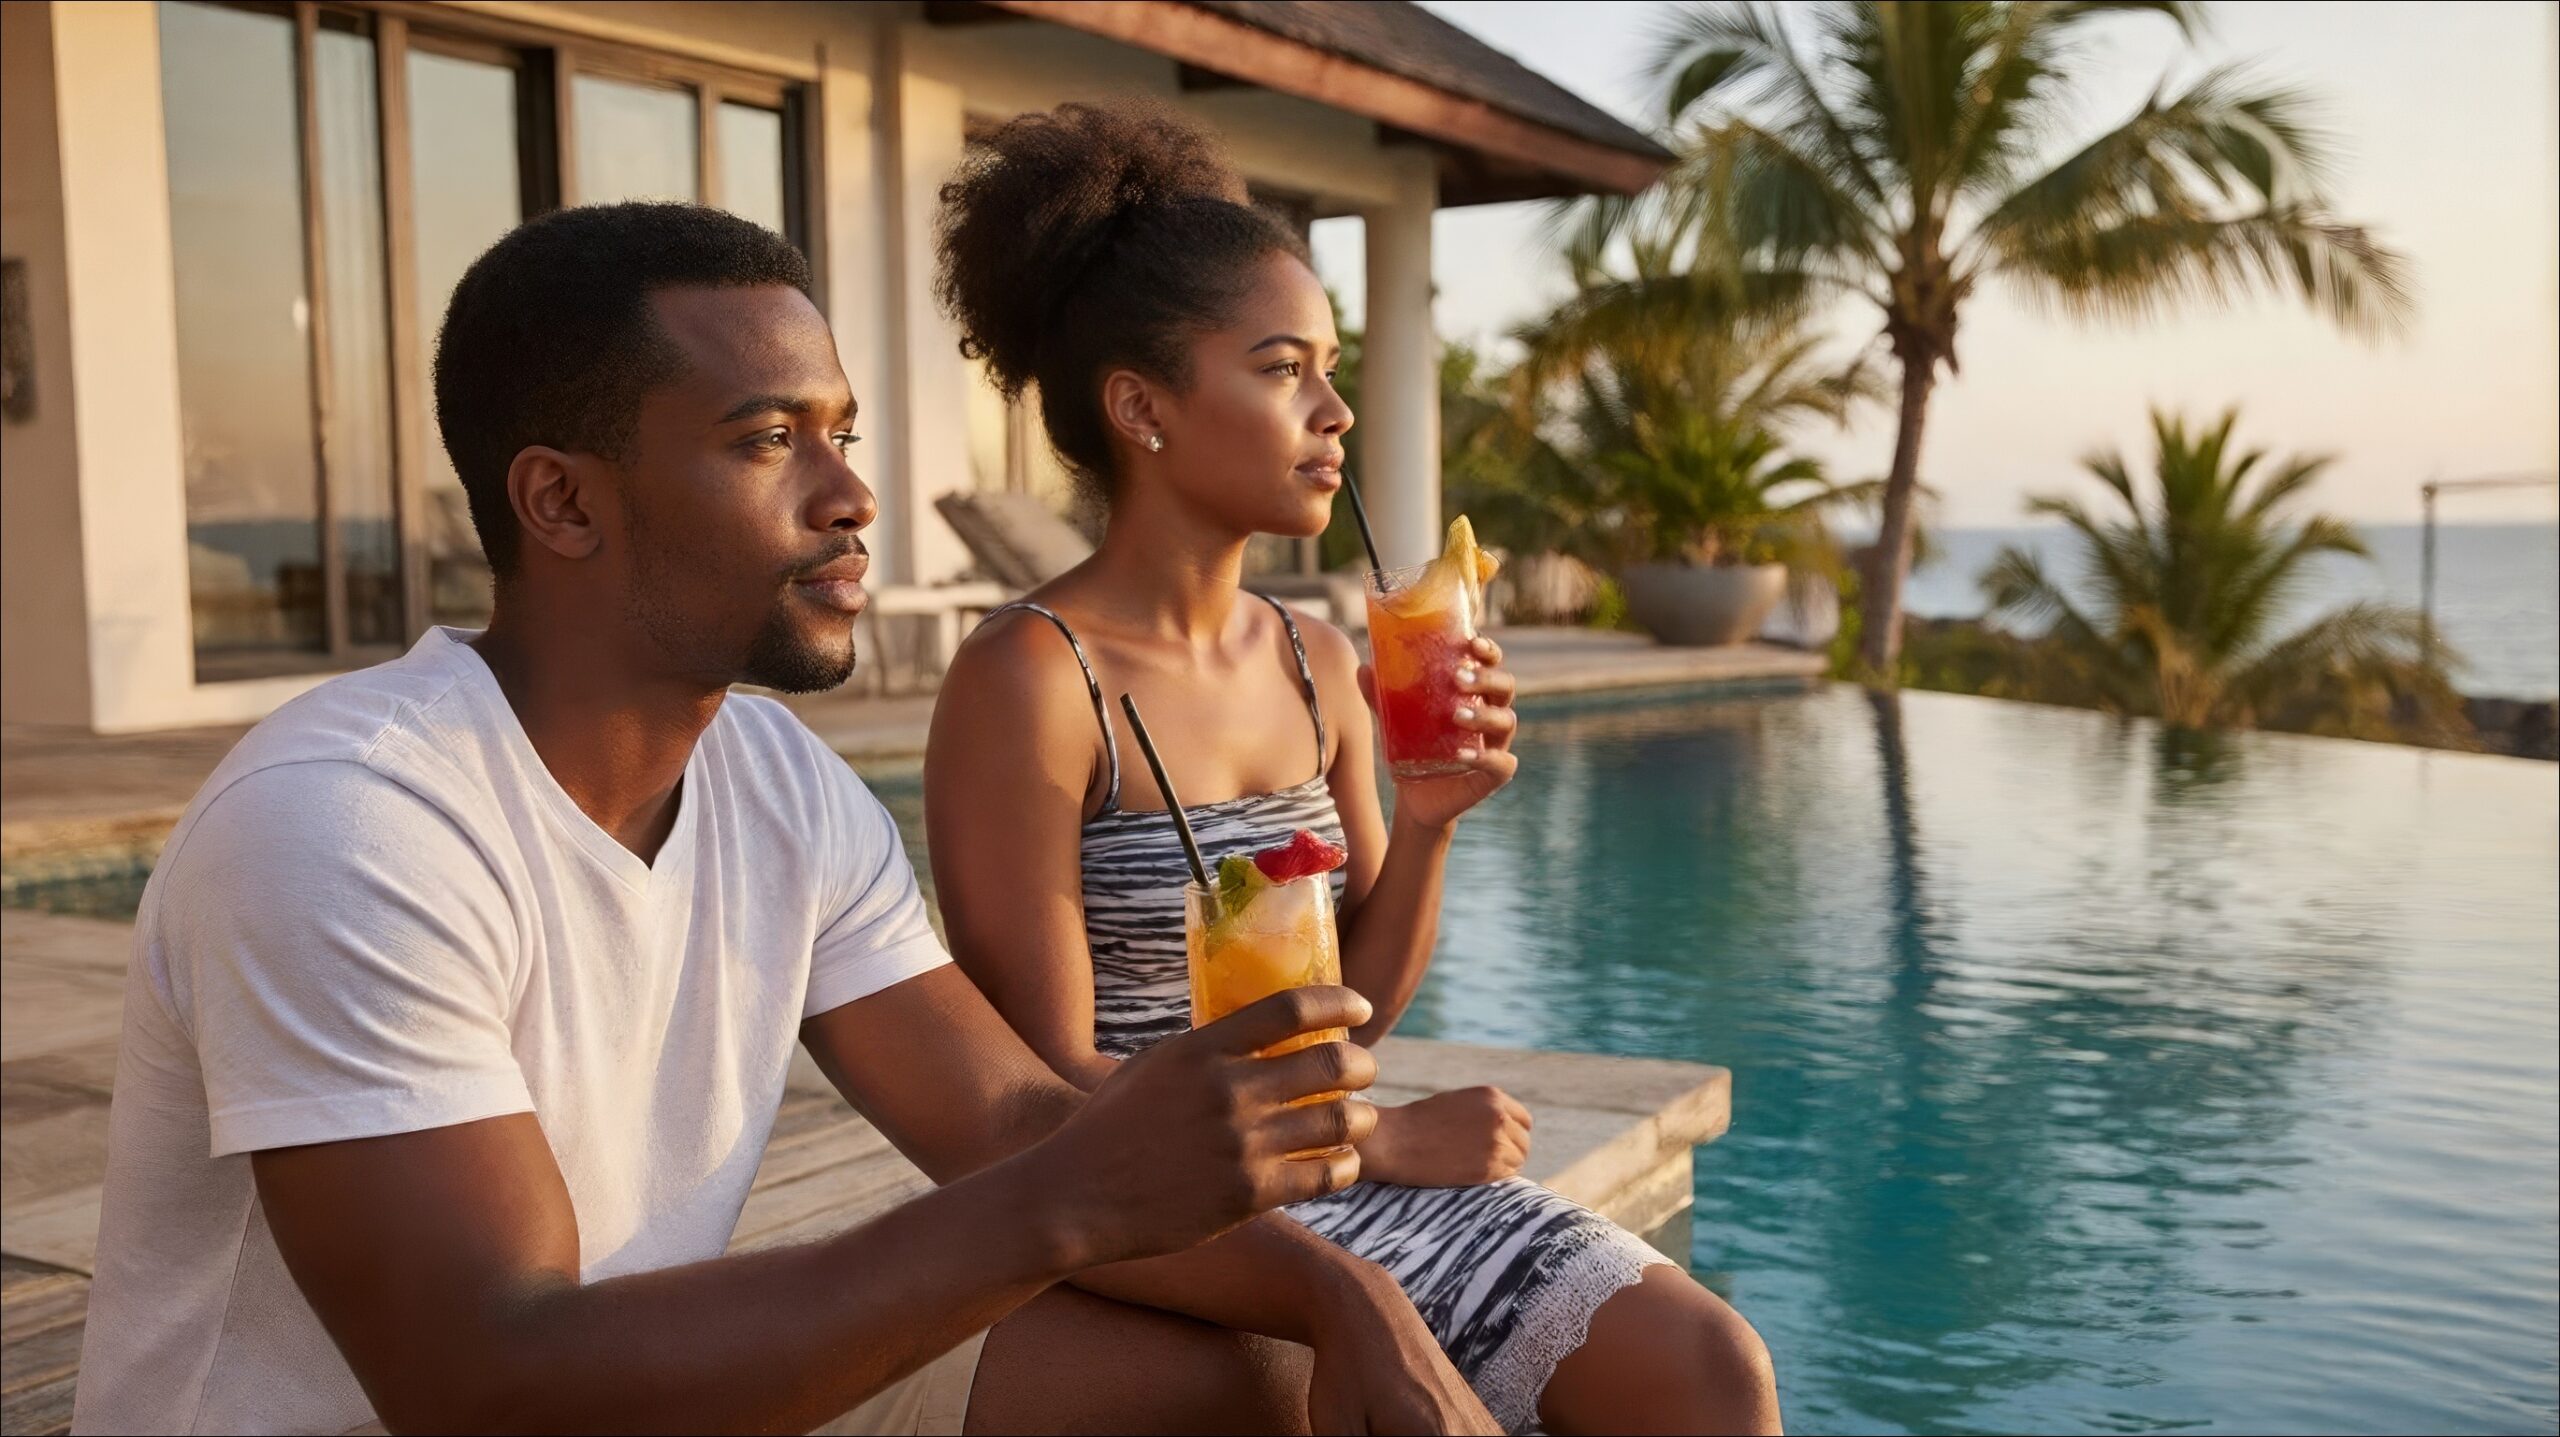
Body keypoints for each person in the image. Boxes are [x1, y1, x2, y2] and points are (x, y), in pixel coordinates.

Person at [70, 201, 1500, 1436]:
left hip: (649, 1383)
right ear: (562, 501)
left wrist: (1339, 1292)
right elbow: (485, 1381)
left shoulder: (776, 782)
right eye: (770, 439)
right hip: (512, 1407)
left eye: (843, 434)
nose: (853, 497)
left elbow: (1004, 1115)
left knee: (1241, 1373)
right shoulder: (348, 823)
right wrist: (1071, 1197)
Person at [924, 102, 1783, 1435]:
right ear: (1143, 407)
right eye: (1283, 370)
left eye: (1331, 368)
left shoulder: (1315, 658)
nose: (1333, 412)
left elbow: (1349, 1016)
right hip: (1146, 1210)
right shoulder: (1032, 680)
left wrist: (1432, 821)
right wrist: (1377, 1140)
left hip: (1339, 1175)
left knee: (1710, 1366)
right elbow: (1040, 1090)